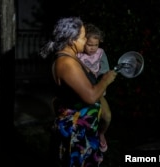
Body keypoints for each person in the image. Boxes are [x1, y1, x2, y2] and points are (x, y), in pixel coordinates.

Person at [40, 17, 117, 167]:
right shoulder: (66, 63)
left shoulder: (71, 58)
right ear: (71, 40)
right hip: (76, 132)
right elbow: (90, 96)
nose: (85, 39)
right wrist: (105, 80)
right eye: (82, 37)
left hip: (84, 128)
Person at [77, 23, 111, 153]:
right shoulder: (78, 54)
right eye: (90, 45)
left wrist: (102, 79)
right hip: (82, 91)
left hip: (98, 91)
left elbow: (105, 71)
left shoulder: (101, 53)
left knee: (106, 116)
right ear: (84, 42)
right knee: (86, 119)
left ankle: (101, 133)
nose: (93, 48)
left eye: (96, 45)